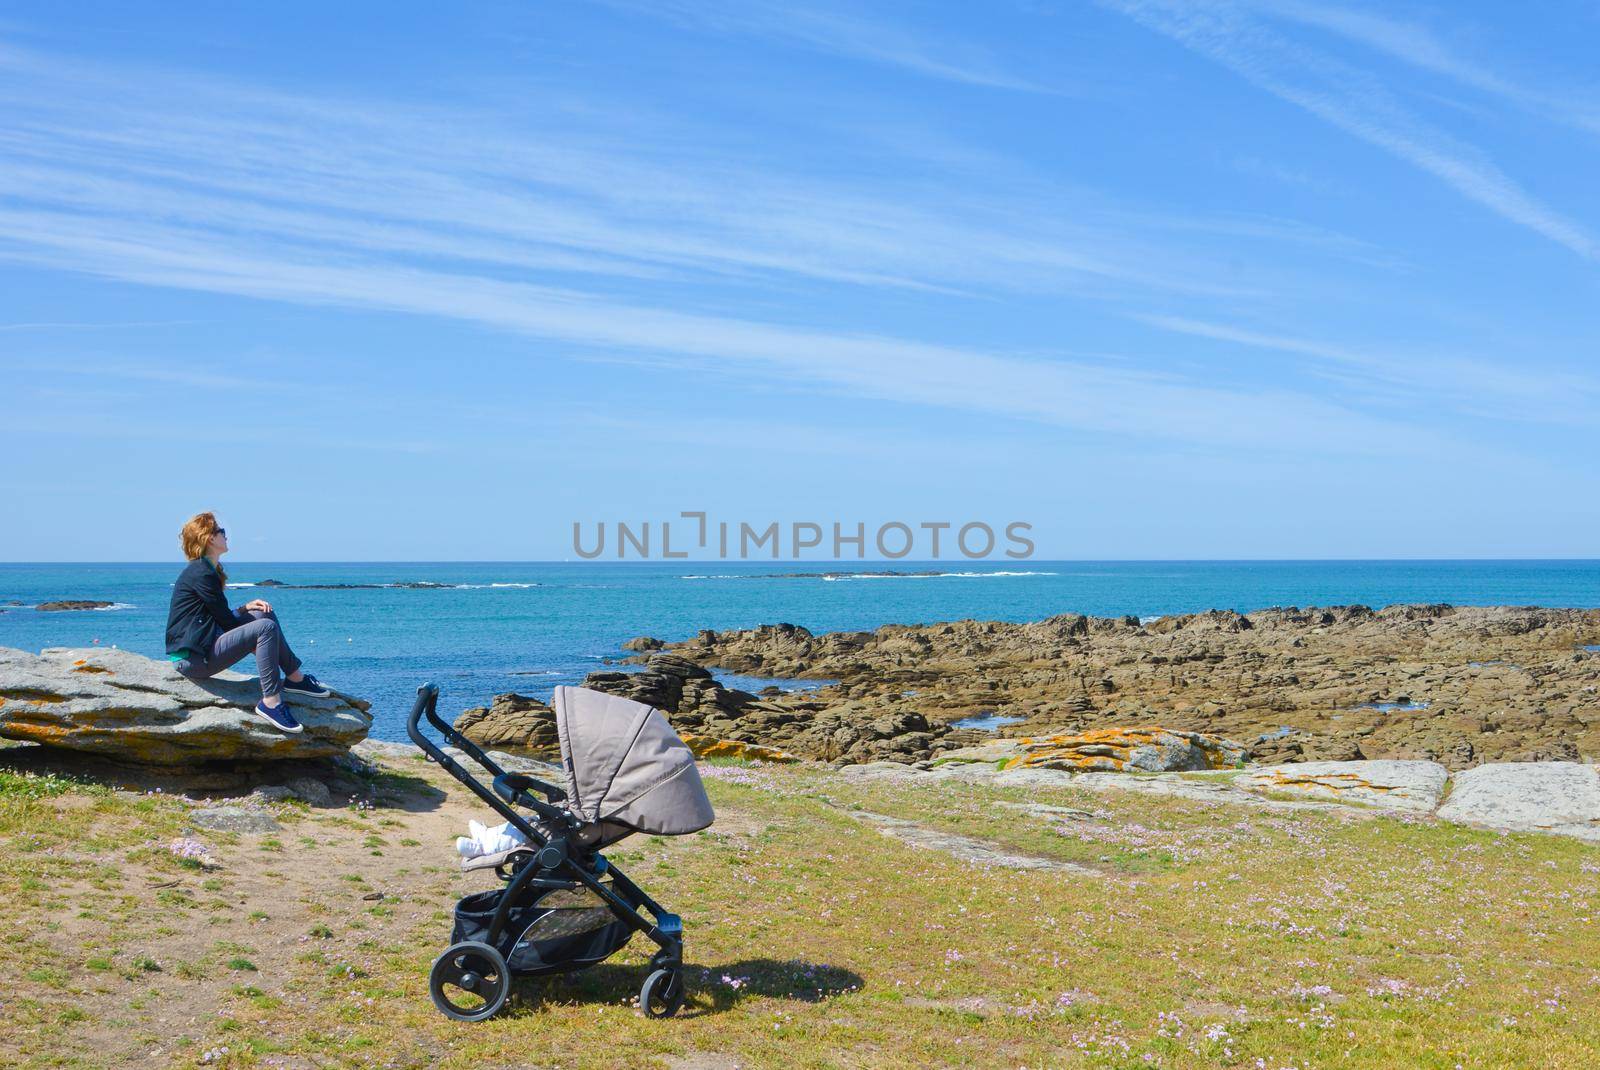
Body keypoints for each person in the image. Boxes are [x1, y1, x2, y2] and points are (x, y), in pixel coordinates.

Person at [165, 511, 330, 734]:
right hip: (193, 659)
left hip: (205, 643)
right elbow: (226, 623)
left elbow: (219, 616)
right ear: (210, 538)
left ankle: (295, 679)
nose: (225, 534)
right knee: (265, 627)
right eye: (220, 531)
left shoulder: (208, 569)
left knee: (264, 615)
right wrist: (259, 641)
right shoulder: (201, 573)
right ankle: (271, 702)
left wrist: (245, 609)